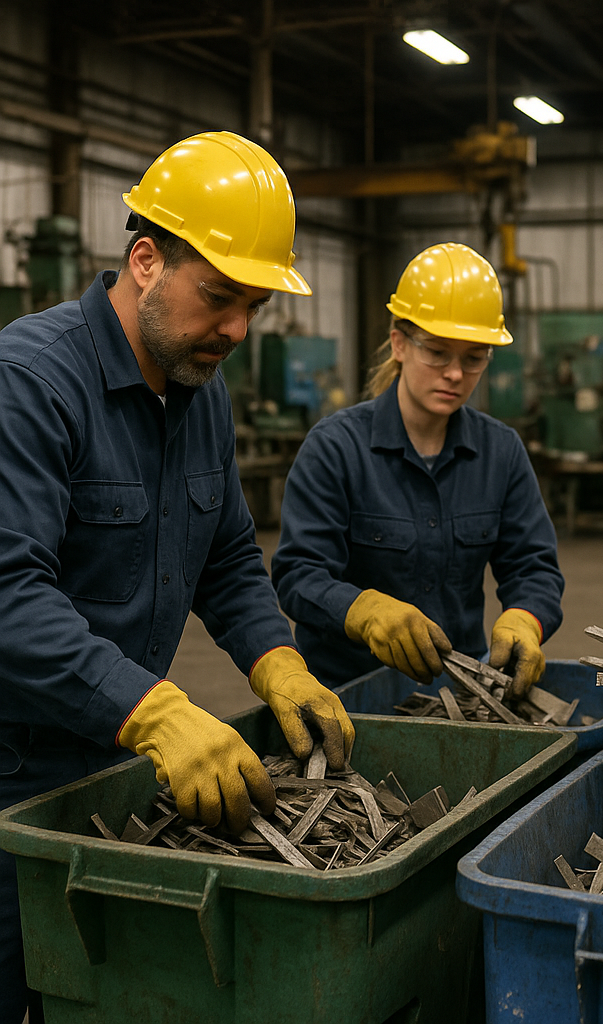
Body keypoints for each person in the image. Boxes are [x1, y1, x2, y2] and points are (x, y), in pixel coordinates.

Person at [0, 130, 355, 1023]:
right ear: (146, 260)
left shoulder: (201, 385)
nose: (237, 330)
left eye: (255, 307)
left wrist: (277, 658)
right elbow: (8, 594)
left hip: (114, 766)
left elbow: (228, 554)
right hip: (12, 779)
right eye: (219, 298)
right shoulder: (31, 382)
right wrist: (158, 710)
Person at [272, 242, 564, 699]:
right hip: (348, 697)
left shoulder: (500, 452)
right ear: (399, 343)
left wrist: (524, 617)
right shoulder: (335, 448)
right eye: (438, 353)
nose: (455, 373)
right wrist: (363, 610)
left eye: (474, 358)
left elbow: (534, 566)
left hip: (459, 693)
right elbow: (298, 575)